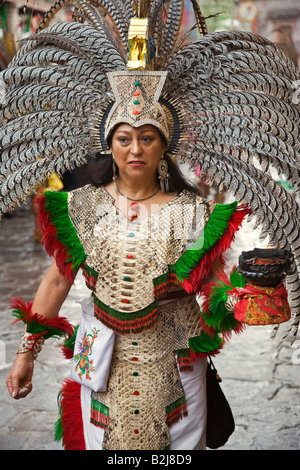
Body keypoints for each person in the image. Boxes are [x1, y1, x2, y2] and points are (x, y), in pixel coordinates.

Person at [1, 0, 298, 452]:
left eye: (147, 138)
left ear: (164, 147)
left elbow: (213, 288)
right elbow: (58, 279)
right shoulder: (79, 206)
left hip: (177, 364)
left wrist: (250, 295)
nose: (135, 148)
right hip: (101, 362)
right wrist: (25, 354)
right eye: (124, 138)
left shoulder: (193, 212)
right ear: (110, 145)